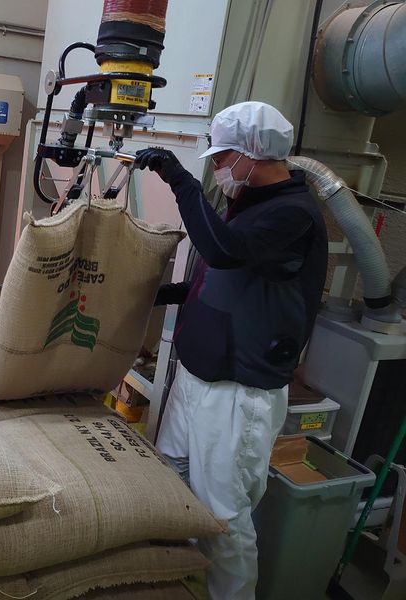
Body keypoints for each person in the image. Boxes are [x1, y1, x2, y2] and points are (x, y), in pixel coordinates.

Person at [135, 101, 328, 599]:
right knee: (174, 479)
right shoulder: (248, 205)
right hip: (197, 378)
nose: (219, 168)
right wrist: (160, 293)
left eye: (222, 158)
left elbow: (224, 251)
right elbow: (219, 279)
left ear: (252, 154)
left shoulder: (293, 214)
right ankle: (180, 584)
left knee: (223, 515)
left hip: (238, 394)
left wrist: (181, 181)